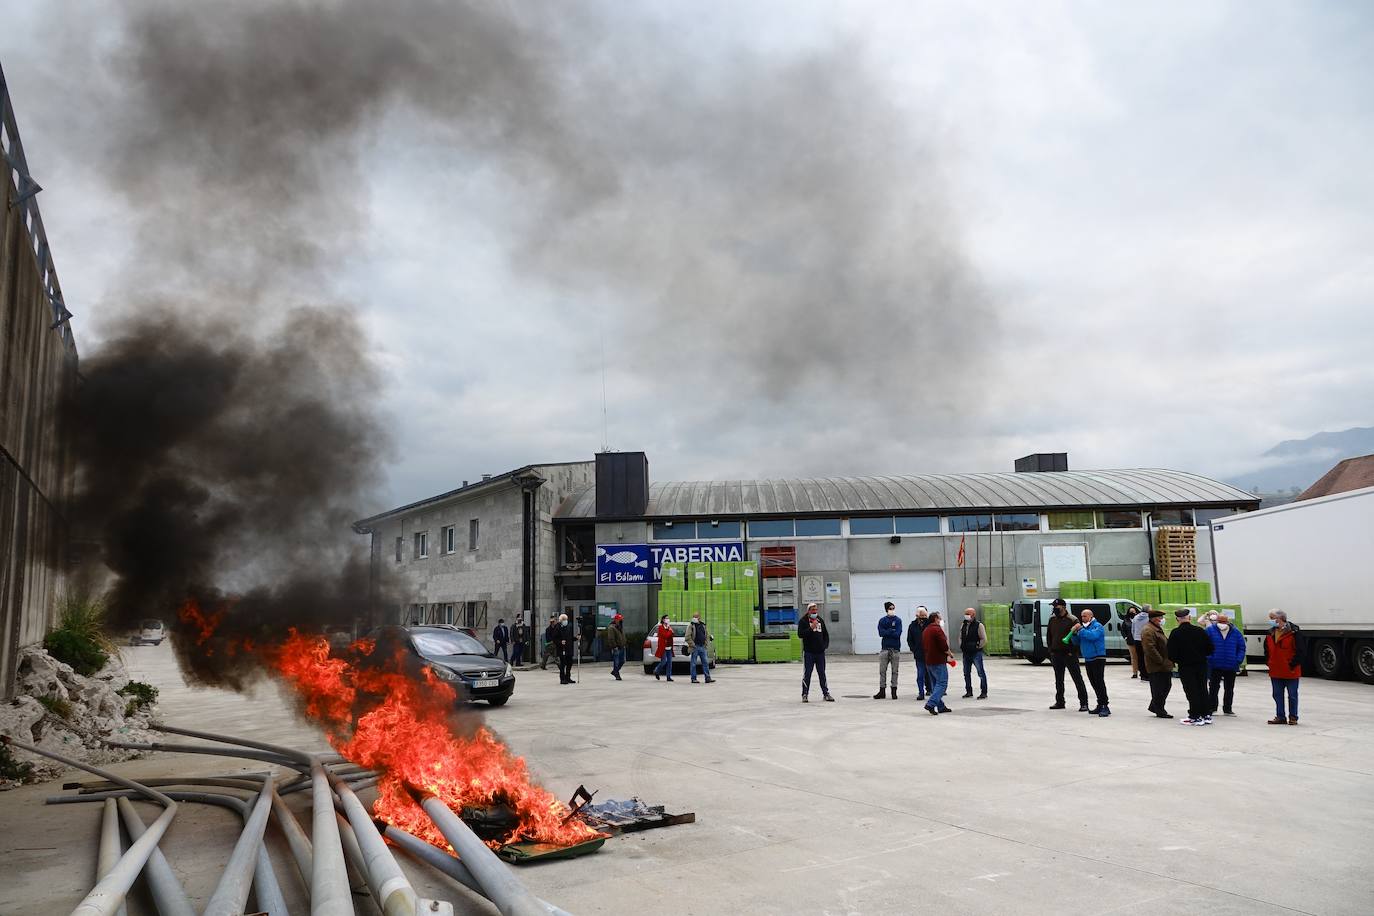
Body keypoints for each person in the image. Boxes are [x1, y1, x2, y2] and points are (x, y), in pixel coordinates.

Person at [1167, 608, 1214, 725]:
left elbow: (1171, 653)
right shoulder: (1199, 631)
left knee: (1191, 690)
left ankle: (1195, 716)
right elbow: (1210, 648)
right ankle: (1206, 714)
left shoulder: (1175, 633)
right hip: (1201, 665)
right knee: (1202, 688)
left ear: (1177, 619)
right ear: (1190, 618)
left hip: (1185, 666)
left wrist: (1179, 660)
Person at [1046, 598, 1089, 711]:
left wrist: (1072, 651)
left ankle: (1084, 703)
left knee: (1077, 678)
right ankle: (1060, 701)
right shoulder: (1052, 619)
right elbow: (1049, 636)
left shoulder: (1072, 619)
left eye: (1056, 607)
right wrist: (1051, 650)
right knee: (1058, 679)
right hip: (1056, 654)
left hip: (1069, 654)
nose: (1054, 609)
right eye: (1053, 607)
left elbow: (1078, 637)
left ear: (1063, 607)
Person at [1264, 610, 1303, 725]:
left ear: (1279, 619)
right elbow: (1266, 650)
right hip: (1275, 669)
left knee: (1292, 695)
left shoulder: (1294, 633)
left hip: (1290, 670)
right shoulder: (1270, 633)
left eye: (1272, 618)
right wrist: (1269, 662)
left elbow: (1300, 651)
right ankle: (1280, 716)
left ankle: (1293, 717)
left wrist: (1292, 664)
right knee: (1277, 694)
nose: (1270, 620)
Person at [1069, 610, 1110, 716]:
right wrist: (1073, 634)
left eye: (1085, 616)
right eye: (1082, 616)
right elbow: (1077, 642)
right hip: (1088, 658)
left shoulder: (1097, 626)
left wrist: (1081, 630)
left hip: (1098, 657)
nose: (1083, 618)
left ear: (1091, 616)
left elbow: (1093, 636)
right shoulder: (1084, 628)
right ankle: (1100, 703)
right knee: (1093, 682)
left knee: (1099, 682)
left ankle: (1105, 705)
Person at [1206, 612, 1246, 716]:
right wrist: (1210, 658)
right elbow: (1204, 645)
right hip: (1215, 664)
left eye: (1224, 621)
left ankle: (1228, 709)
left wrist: (1238, 660)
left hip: (1231, 665)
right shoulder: (1210, 631)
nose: (1222, 623)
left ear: (1228, 622)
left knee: (1229, 688)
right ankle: (1212, 708)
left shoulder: (1236, 632)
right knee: (1213, 687)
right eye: (1220, 621)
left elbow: (1241, 647)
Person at [1140, 608, 1173, 718]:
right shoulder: (1148, 630)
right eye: (1160, 618)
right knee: (1159, 688)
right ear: (1154, 619)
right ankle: (1159, 710)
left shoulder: (1156, 628)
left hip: (1163, 664)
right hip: (1157, 665)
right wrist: (1160, 661)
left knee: (1165, 686)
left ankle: (1155, 706)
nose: (1162, 620)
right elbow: (1149, 648)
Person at [797, 603, 834, 702]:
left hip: (820, 653)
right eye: (813, 610)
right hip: (809, 653)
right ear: (808, 611)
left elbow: (825, 634)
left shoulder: (820, 620)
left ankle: (826, 694)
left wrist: (824, 645)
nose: (815, 612)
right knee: (807, 674)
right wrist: (811, 628)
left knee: (822, 673)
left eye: (816, 610)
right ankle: (805, 694)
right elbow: (800, 634)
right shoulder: (803, 621)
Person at [922, 611, 954, 715]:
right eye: (940, 618)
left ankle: (941, 706)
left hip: (929, 661)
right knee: (942, 683)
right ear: (935, 619)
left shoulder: (926, 630)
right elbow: (943, 646)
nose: (941, 620)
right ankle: (931, 703)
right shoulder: (937, 630)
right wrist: (950, 654)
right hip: (938, 661)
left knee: (935, 684)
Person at [959, 608, 988, 700]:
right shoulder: (963, 624)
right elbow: (960, 636)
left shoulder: (979, 625)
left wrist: (977, 646)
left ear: (973, 615)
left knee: (980, 672)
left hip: (976, 653)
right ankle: (969, 691)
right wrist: (961, 645)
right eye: (965, 613)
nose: (966, 615)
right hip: (966, 652)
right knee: (966, 673)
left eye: (968, 613)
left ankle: (983, 692)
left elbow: (984, 639)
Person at [874, 602, 902, 699]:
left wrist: (888, 631)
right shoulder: (882, 620)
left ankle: (894, 690)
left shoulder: (898, 620)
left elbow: (898, 633)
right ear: (886, 609)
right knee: (882, 671)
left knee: (895, 671)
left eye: (893, 608)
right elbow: (881, 633)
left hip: (895, 649)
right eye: (890, 608)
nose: (892, 610)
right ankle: (882, 691)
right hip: (885, 649)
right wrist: (891, 630)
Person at [906, 606, 932, 700]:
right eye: (921, 615)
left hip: (930, 654)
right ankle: (921, 693)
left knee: (931, 673)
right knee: (920, 675)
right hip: (919, 655)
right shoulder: (912, 625)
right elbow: (909, 639)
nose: (923, 617)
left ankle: (932, 690)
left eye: (924, 615)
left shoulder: (930, 624)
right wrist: (914, 649)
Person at [685, 612, 715, 684]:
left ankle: (707, 678)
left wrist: (706, 644)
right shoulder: (691, 625)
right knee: (693, 663)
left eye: (696, 616)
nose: (695, 618)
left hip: (702, 647)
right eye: (694, 616)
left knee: (705, 663)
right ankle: (693, 678)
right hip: (695, 647)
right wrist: (693, 645)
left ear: (699, 617)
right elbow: (687, 637)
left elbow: (706, 635)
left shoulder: (703, 625)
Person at [1131, 604, 1152, 686]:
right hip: (1145, 639)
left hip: (1137, 640)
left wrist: (1135, 637)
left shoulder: (1136, 617)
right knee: (1148, 657)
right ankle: (1148, 675)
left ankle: (1142, 675)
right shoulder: (1149, 617)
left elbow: (1132, 629)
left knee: (1140, 657)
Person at [652, 614, 675, 682]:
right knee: (664, 661)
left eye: (668, 618)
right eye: (666, 618)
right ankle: (656, 670)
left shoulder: (669, 627)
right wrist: (670, 631)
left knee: (669, 663)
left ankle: (668, 676)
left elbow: (671, 635)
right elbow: (666, 635)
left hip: (669, 647)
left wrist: (670, 631)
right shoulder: (661, 627)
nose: (668, 619)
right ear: (663, 620)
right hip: (663, 647)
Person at [555, 613, 576, 684]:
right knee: (563, 664)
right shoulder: (557, 627)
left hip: (568, 648)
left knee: (569, 663)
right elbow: (555, 638)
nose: (565, 621)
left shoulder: (568, 626)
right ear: (561, 620)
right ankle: (562, 678)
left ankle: (568, 677)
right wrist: (560, 642)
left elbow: (570, 637)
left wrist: (575, 638)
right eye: (564, 620)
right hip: (562, 649)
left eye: (566, 619)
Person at [605, 613, 627, 681]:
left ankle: (615, 671)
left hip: (622, 646)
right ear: (616, 620)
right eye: (619, 620)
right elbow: (611, 638)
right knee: (616, 661)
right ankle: (617, 674)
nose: (621, 621)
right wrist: (614, 646)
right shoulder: (611, 628)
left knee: (622, 661)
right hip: (616, 647)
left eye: (621, 620)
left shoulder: (620, 627)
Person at [1123, 607, 1141, 679]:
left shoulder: (1139, 619)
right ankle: (1135, 672)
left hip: (1139, 640)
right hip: (1130, 641)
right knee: (1133, 657)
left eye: (1133, 611)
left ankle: (1142, 671)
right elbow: (1123, 630)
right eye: (1131, 612)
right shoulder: (1126, 620)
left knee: (1141, 656)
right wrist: (1126, 637)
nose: (1132, 613)